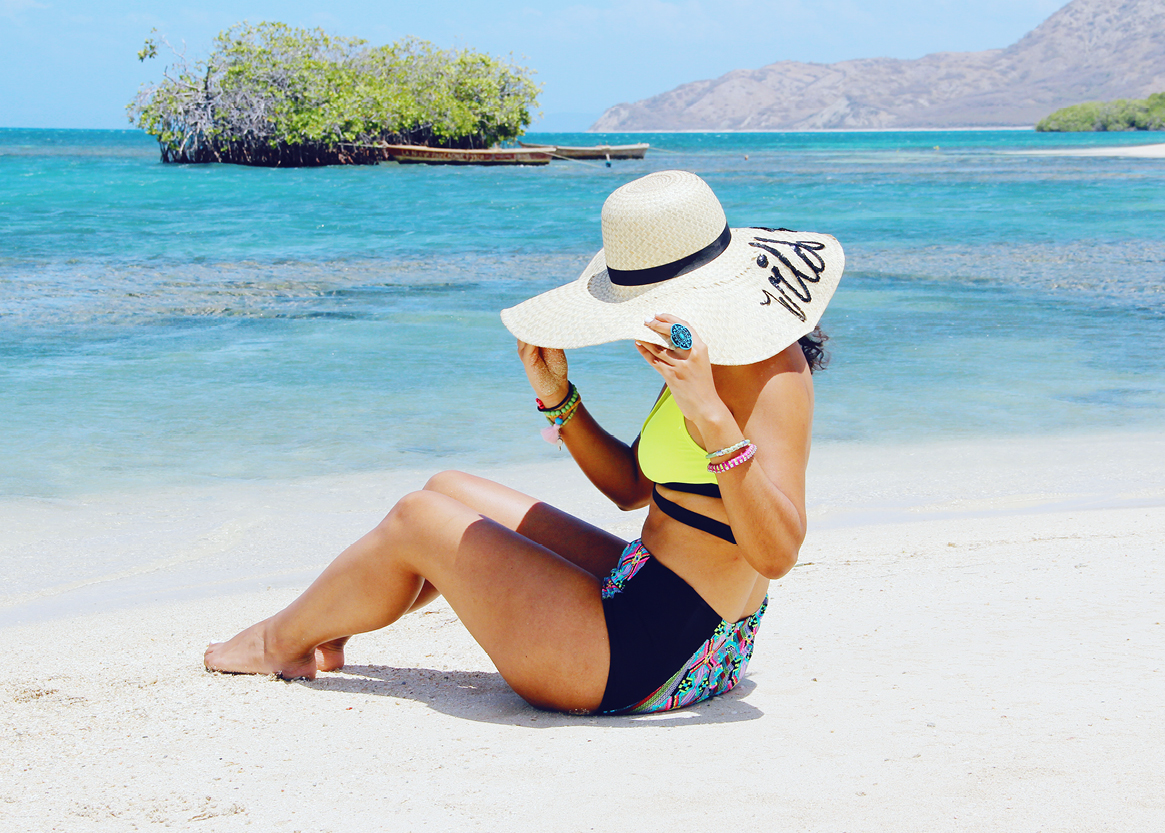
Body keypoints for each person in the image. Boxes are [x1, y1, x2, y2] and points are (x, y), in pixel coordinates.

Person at [204, 170, 844, 715]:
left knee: (415, 519)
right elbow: (632, 490)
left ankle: (277, 644)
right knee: (447, 489)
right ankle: (333, 622)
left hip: (660, 654)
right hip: (648, 586)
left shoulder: (770, 374)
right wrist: (559, 399)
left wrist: (709, 417)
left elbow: (778, 552)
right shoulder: (701, 354)